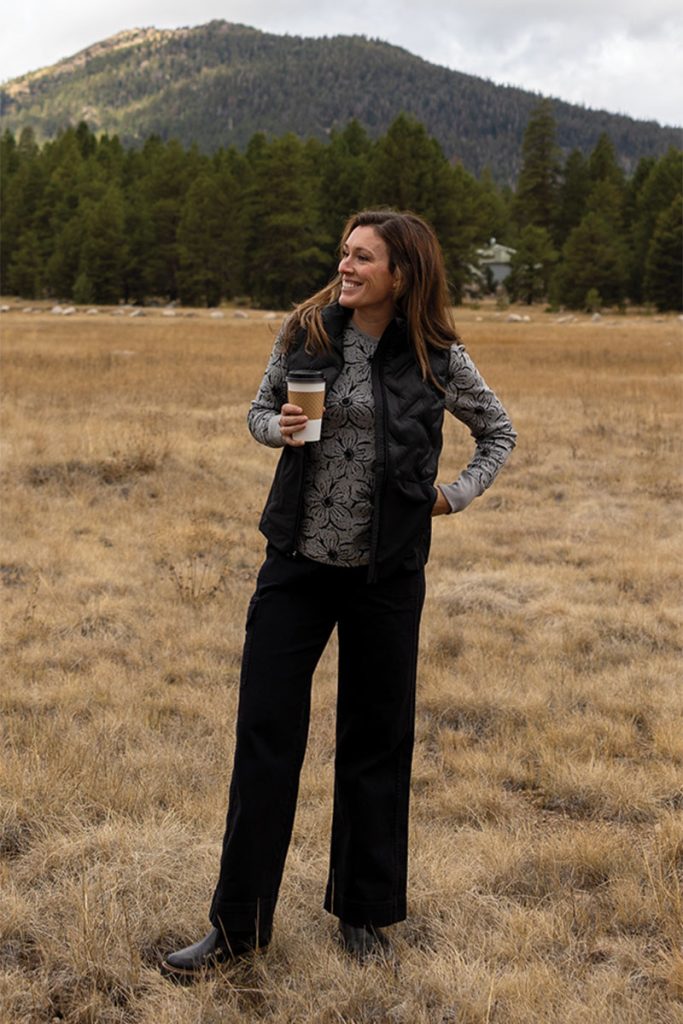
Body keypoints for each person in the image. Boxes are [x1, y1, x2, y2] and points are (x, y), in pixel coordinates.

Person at [160, 209, 516, 981]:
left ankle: (363, 916)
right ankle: (236, 930)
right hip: (295, 564)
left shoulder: (436, 357)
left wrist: (454, 495)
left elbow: (499, 432)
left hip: (386, 576)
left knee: (374, 745)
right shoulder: (306, 333)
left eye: (363, 258)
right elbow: (256, 412)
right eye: (343, 254)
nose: (345, 266)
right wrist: (276, 428)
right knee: (264, 736)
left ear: (401, 273)